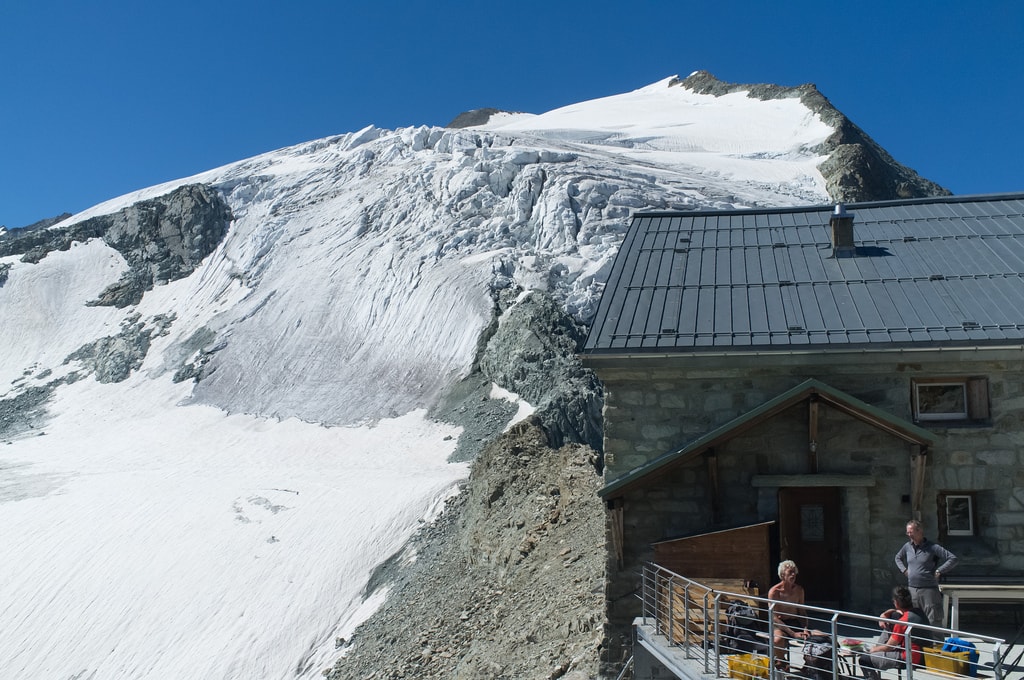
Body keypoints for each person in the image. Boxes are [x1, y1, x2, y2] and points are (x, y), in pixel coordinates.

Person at [894, 518, 958, 625]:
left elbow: (953, 559)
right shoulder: (907, 547)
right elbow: (897, 558)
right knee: (914, 619)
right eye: (907, 532)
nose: (909, 535)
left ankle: (935, 641)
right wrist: (904, 570)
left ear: (919, 531)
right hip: (912, 589)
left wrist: (939, 570)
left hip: (929, 590)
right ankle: (918, 641)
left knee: (932, 619)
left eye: (911, 532)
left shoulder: (932, 547)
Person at [859, 586, 926, 680]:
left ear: (896, 602)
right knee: (891, 621)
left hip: (908, 658)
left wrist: (874, 649)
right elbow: (896, 612)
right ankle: (876, 654)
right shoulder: (919, 612)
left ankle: (874, 656)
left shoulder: (903, 621)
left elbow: (888, 647)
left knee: (864, 659)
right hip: (924, 656)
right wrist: (885, 614)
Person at [768, 560, 809, 671]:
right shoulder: (774, 592)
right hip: (780, 624)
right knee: (777, 640)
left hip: (794, 621)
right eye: (790, 572)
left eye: (794, 572)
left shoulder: (799, 590)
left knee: (816, 637)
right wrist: (792, 633)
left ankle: (808, 665)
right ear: (782, 575)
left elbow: (802, 612)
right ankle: (782, 662)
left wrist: (805, 628)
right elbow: (774, 617)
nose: (793, 575)